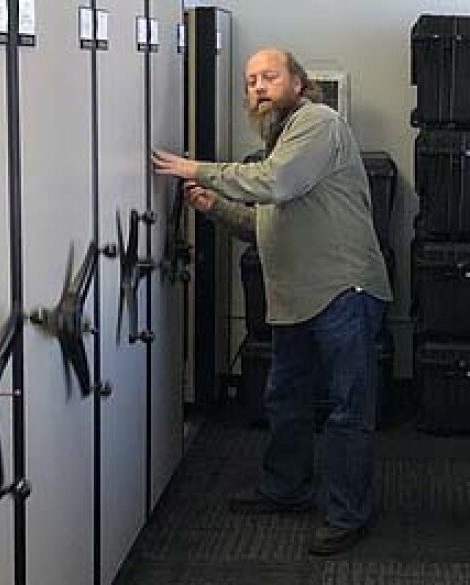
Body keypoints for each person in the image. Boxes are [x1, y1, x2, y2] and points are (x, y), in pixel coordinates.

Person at [152, 47, 392, 556]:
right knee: (285, 399)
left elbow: (275, 185)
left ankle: (349, 512)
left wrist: (199, 168)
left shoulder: (318, 123)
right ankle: (286, 489)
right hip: (296, 301)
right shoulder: (282, 146)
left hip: (343, 292)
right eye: (250, 81)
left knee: (349, 410)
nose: (258, 86)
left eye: (269, 76)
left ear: (298, 84)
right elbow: (267, 225)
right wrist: (214, 206)